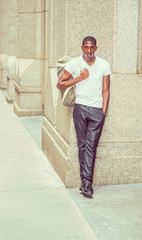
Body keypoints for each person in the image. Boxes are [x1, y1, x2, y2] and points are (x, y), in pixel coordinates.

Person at [57, 36, 111, 198]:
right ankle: (85, 183)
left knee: (91, 147)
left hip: (96, 111)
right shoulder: (74, 63)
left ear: (96, 48)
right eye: (86, 47)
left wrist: (104, 111)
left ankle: (87, 184)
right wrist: (79, 78)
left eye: (92, 47)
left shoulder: (104, 65)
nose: (88, 51)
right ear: (82, 47)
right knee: (82, 145)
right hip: (80, 108)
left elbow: (106, 89)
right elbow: (59, 84)